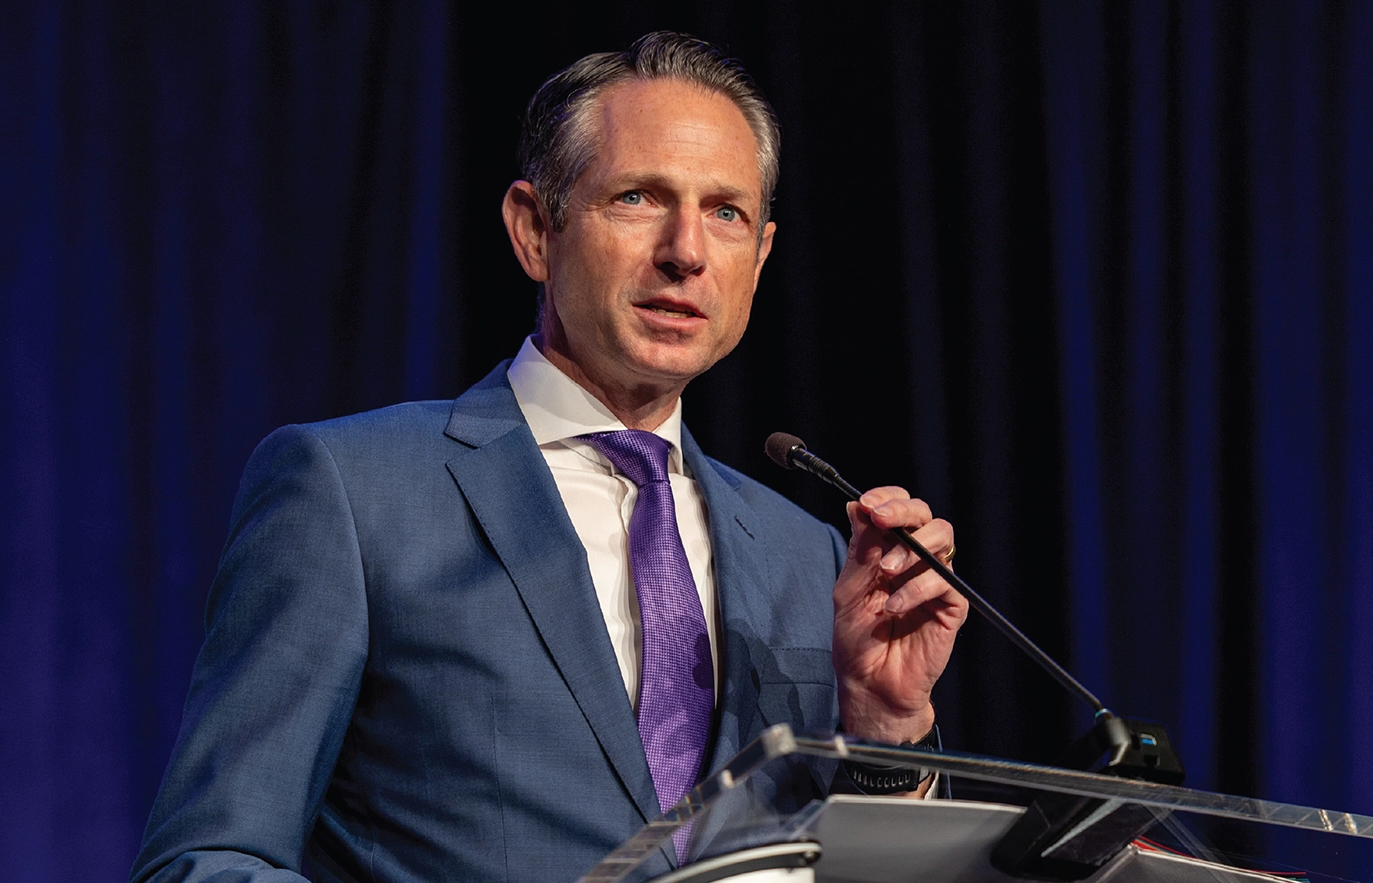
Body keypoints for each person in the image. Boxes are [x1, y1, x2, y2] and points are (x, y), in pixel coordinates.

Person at [131, 32, 967, 883]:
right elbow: (206, 861)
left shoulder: (807, 556)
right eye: (638, 197)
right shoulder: (352, 492)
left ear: (758, 259)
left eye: (726, 213)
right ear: (535, 230)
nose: (687, 251)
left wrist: (886, 737)